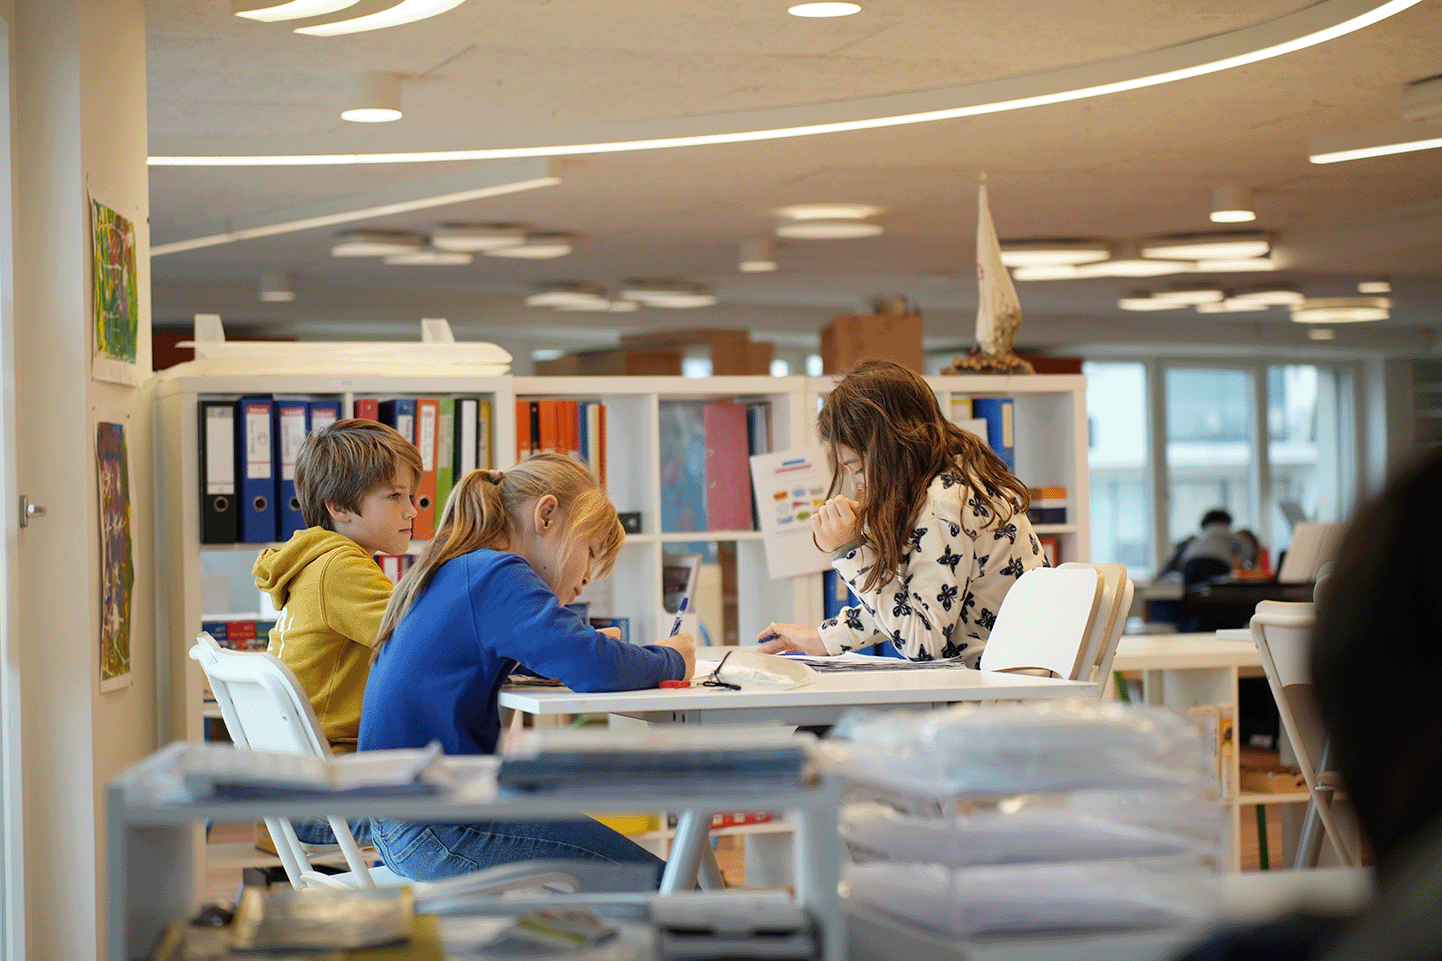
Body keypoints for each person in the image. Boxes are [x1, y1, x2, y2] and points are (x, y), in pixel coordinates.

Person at [359, 454, 696, 882]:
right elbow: (596, 669)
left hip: (406, 819)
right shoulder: (498, 573)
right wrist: (674, 658)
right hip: (440, 827)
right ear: (546, 515)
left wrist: (569, 649)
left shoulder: (461, 565)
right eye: (589, 552)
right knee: (667, 883)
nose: (588, 578)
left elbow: (485, 653)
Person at [756, 359, 1046, 666]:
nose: (856, 485)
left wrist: (850, 551)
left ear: (890, 451)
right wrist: (824, 639)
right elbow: (916, 604)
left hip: (995, 684)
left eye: (858, 467)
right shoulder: (956, 478)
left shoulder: (942, 506)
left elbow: (921, 642)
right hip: (1009, 676)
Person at [251, 417, 423, 848]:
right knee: (492, 807)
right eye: (395, 496)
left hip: (296, 791)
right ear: (339, 507)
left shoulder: (320, 561)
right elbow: (424, 643)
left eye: (411, 496)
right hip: (323, 798)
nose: (411, 511)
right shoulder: (341, 567)